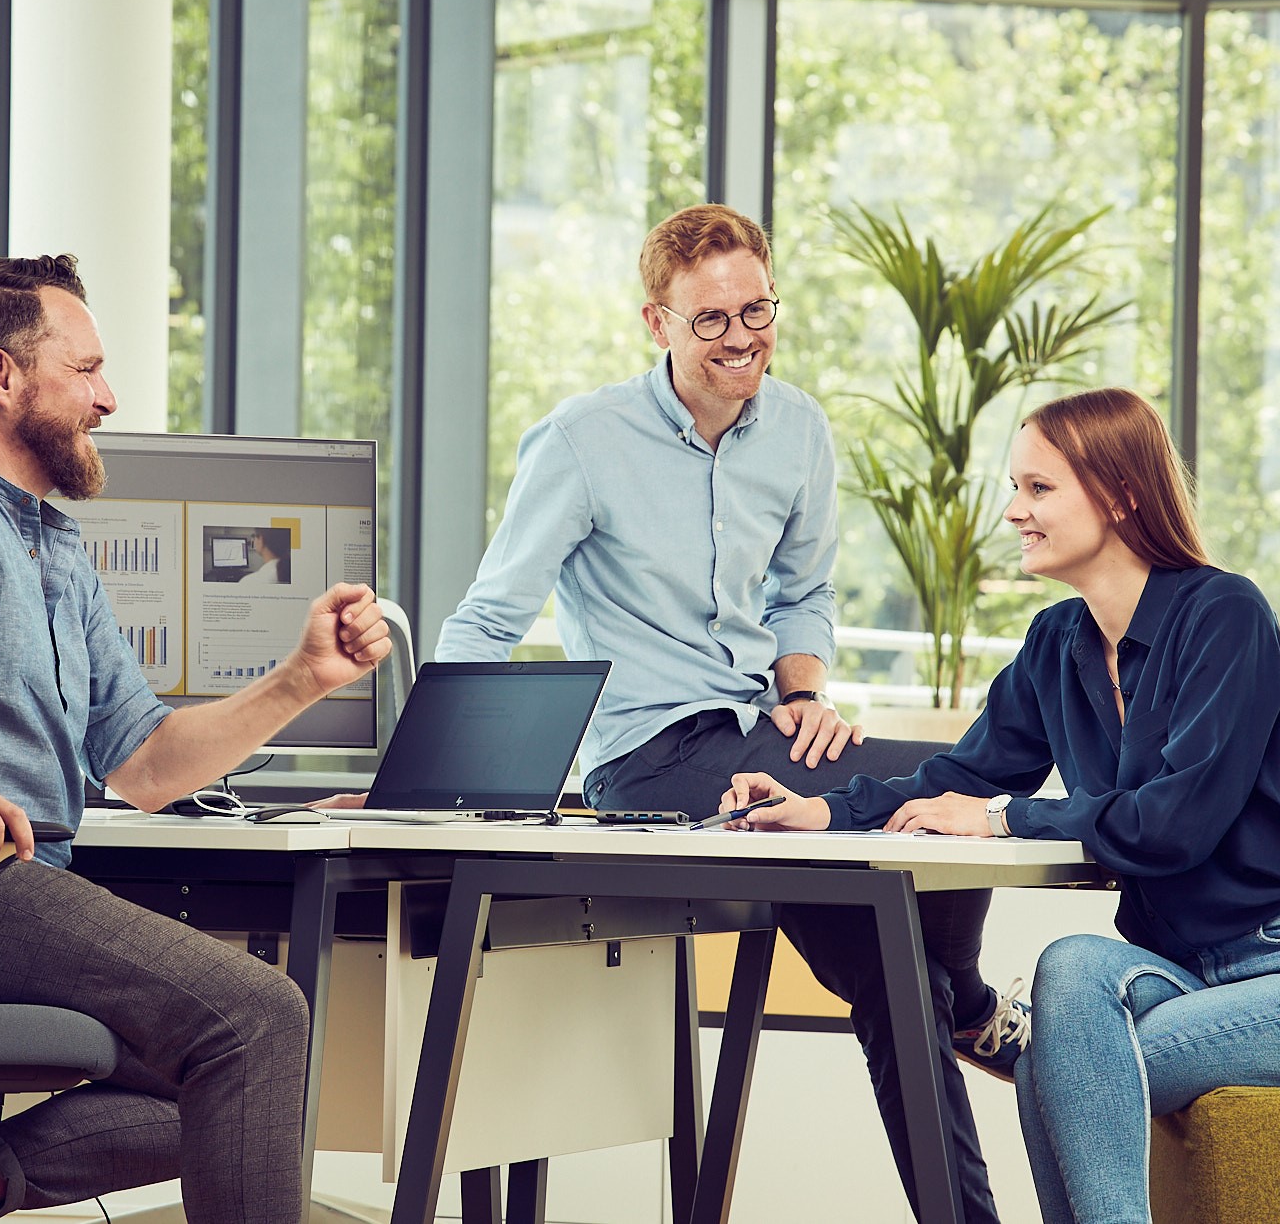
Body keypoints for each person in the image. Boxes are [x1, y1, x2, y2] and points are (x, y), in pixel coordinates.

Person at [0, 254, 390, 1224]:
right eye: (85, 369)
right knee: (258, 1017)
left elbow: (146, 765)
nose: (108, 397)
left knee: (256, 1064)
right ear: (1, 375)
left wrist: (302, 678)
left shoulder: (55, 550)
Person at [434, 203, 1021, 1223]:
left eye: (756, 311)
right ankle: (975, 1003)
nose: (740, 337)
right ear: (657, 322)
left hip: (761, 744)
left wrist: (804, 697)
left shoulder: (796, 428)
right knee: (945, 793)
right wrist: (424, 780)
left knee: (897, 974)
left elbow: (802, 593)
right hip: (649, 761)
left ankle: (958, 1093)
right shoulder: (581, 440)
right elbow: (489, 617)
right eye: (710, 319)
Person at [719, 386, 1280, 1224]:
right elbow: (961, 774)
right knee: (1072, 963)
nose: (1015, 510)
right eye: (1017, 487)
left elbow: (1173, 824)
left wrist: (1003, 817)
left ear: (1120, 495)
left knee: (1058, 1066)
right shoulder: (1056, 643)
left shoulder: (1225, 615)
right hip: (1184, 973)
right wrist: (822, 810)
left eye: (1038, 488)